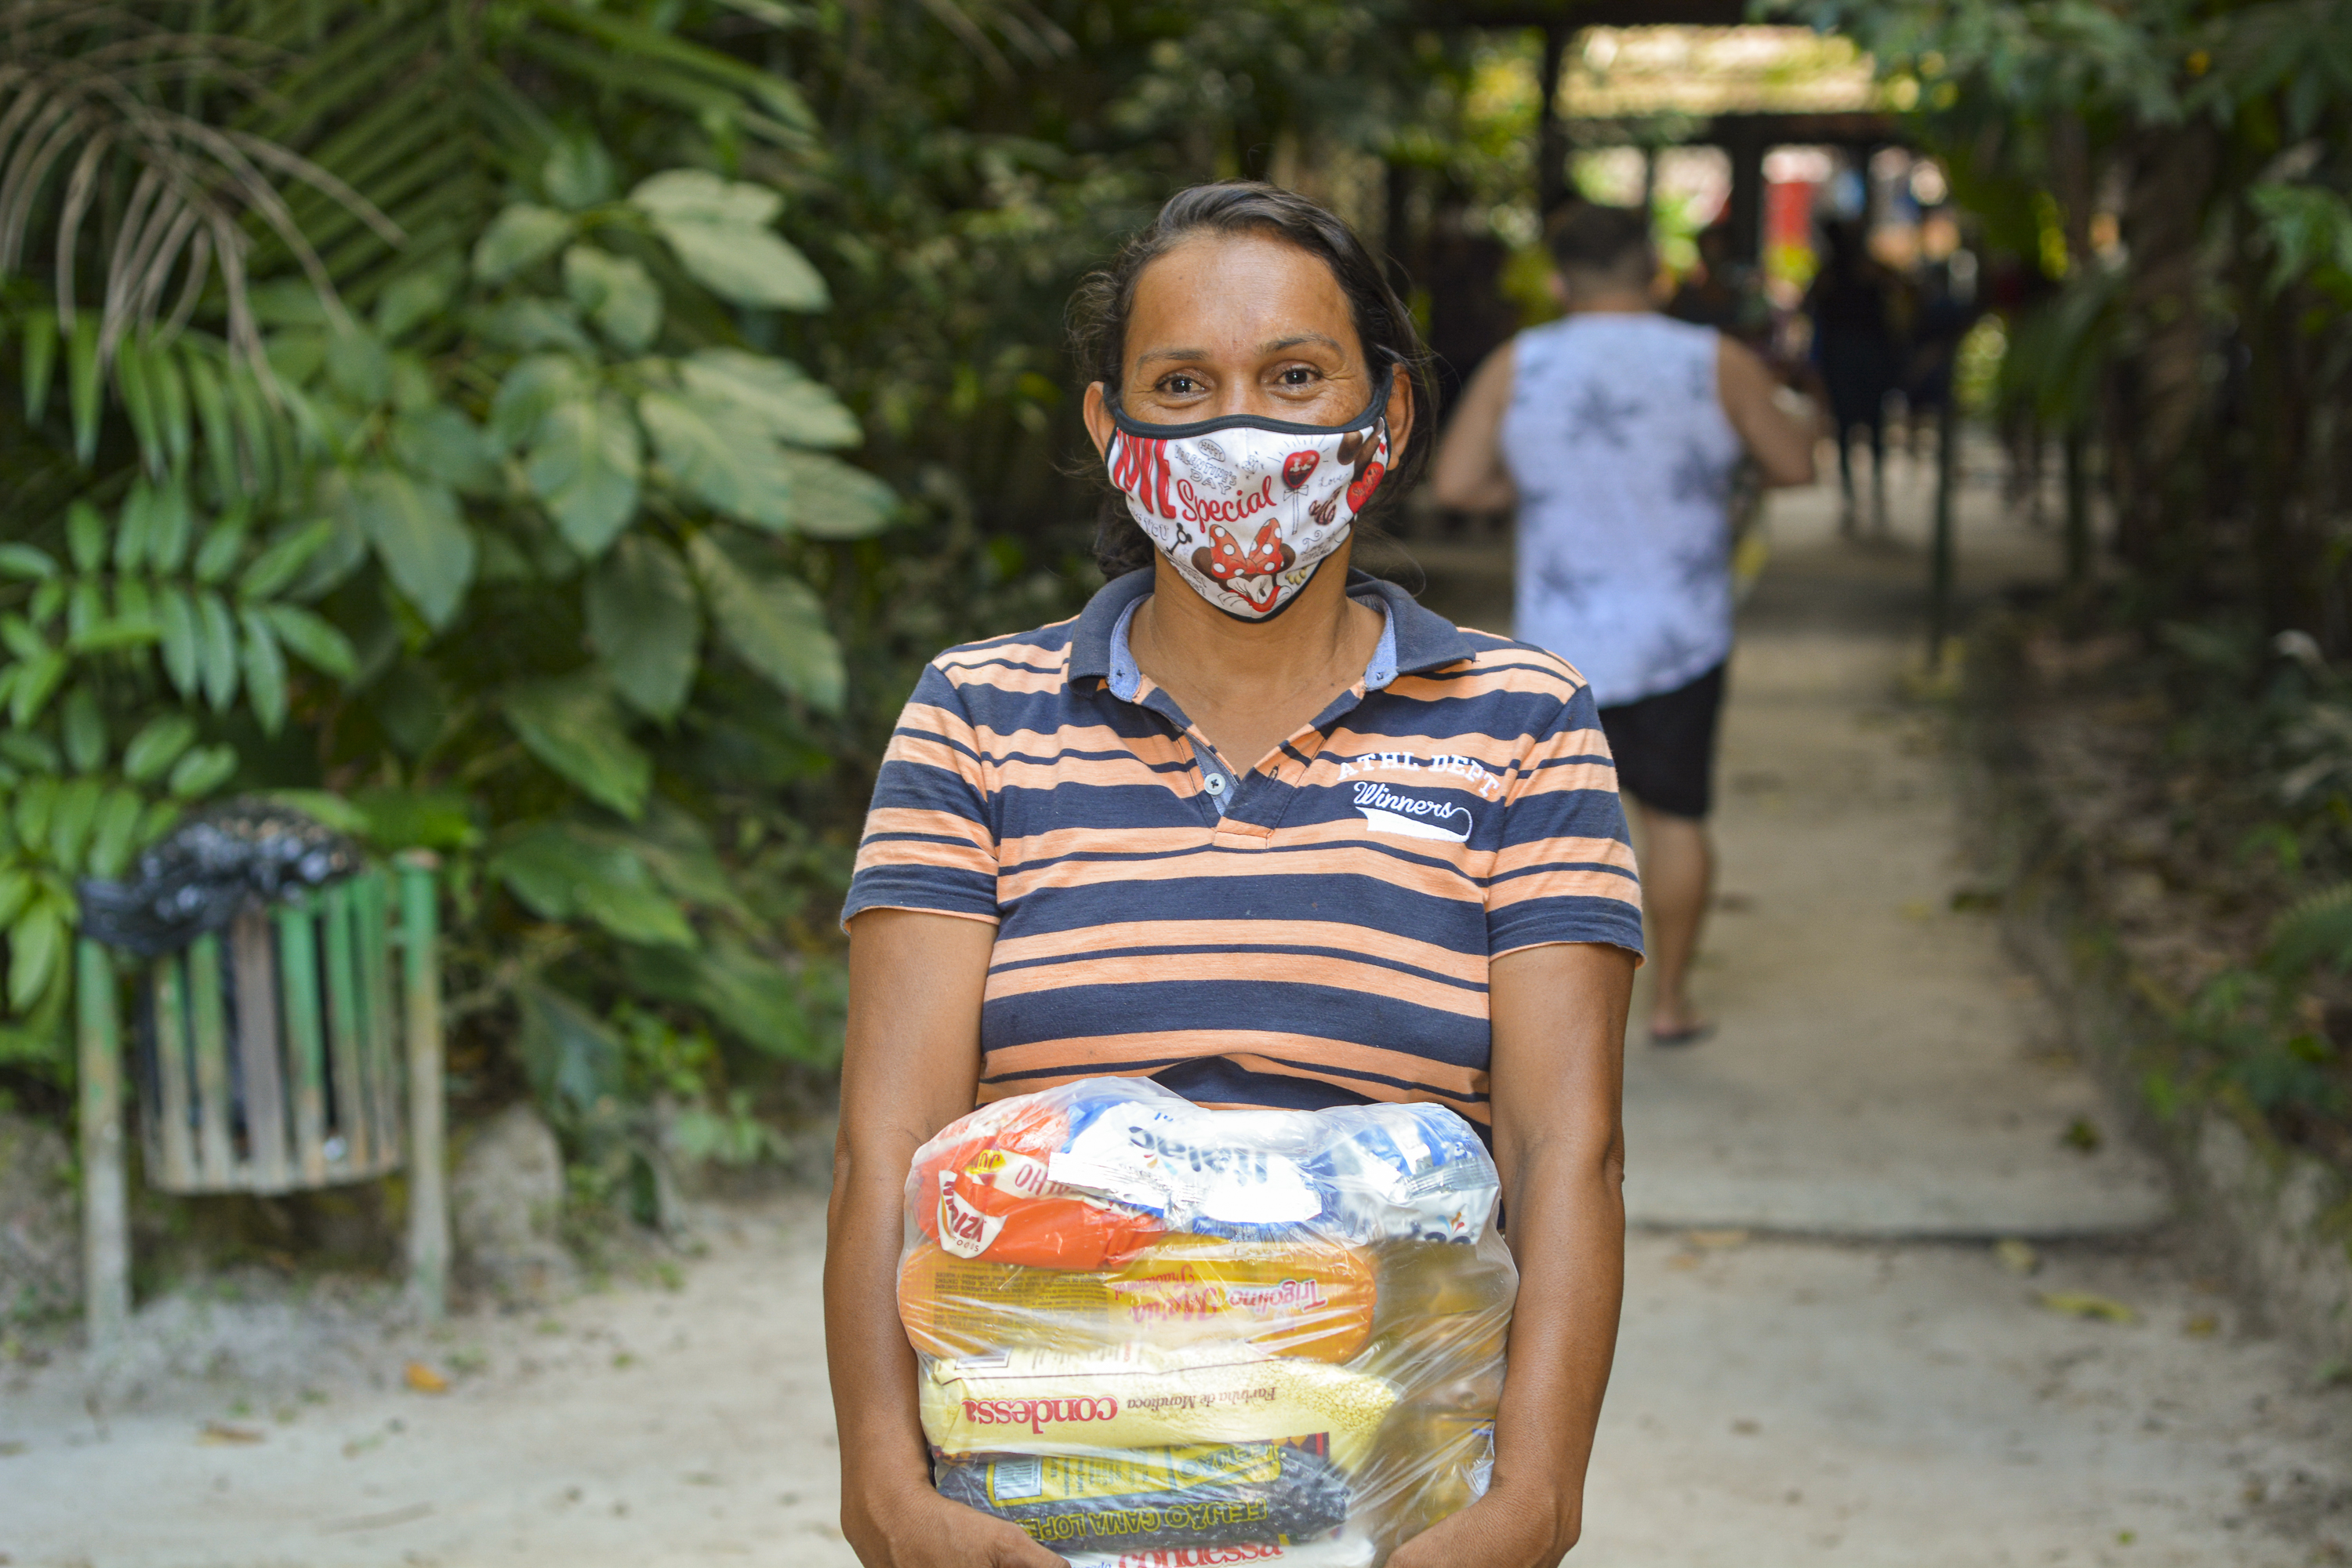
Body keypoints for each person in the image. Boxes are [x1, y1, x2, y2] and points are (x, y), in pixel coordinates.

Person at [825, 181, 1642, 1568]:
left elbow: (1570, 1153)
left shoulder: (1523, 721)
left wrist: (1532, 1507)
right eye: (1183, 384)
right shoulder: (976, 717)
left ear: (1384, 417)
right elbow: (884, 1154)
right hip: (1043, 1497)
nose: (1239, 430)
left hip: (1395, 1510)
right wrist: (890, 1497)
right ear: (1110, 427)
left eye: (1296, 377)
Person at [1431, 201, 1815, 1047]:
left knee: (1545, 834)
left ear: (1561, 281)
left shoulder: (1519, 363)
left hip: (1558, 647)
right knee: (1675, 818)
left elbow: (1456, 485)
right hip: (1683, 634)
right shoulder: (1713, 360)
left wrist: (1535, 492)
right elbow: (1795, 464)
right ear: (1657, 273)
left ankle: (1542, 1018)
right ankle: (1670, 1001)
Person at [1805, 217, 1905, 535]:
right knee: (1857, 427)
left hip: (1859, 357)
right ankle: (1859, 497)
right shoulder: (1839, 272)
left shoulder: (1859, 270)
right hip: (1851, 357)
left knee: (1861, 427)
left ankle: (1864, 497)